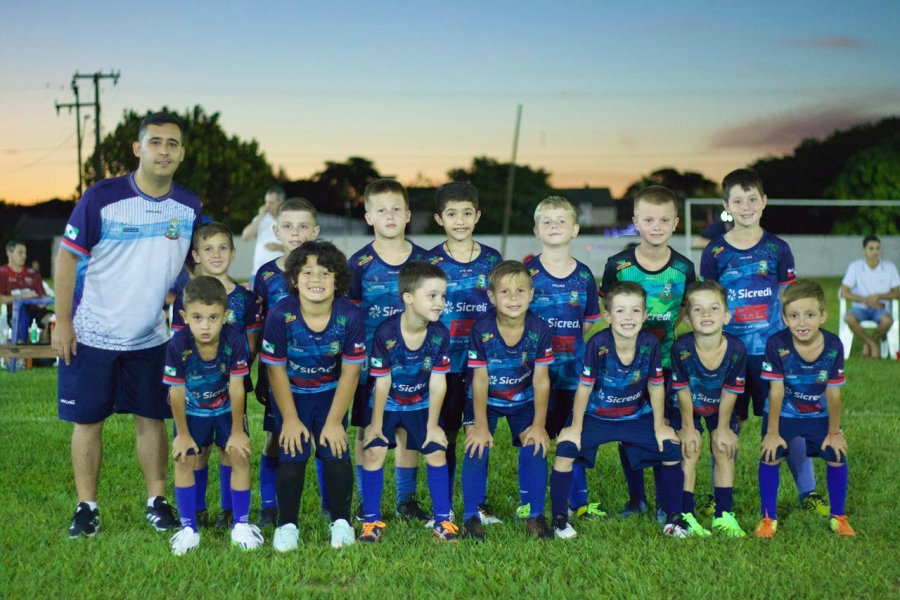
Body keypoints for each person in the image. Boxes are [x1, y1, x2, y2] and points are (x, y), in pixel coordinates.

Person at [55, 111, 201, 538]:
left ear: (182, 153)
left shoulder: (189, 206)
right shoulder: (102, 197)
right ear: (138, 148)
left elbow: (199, 264)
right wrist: (63, 321)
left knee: (151, 418)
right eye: (155, 142)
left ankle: (157, 501)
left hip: (151, 336)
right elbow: (67, 257)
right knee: (88, 422)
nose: (163, 151)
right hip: (92, 333)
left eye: (172, 144)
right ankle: (86, 507)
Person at [699, 168, 826, 517]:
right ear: (727, 206)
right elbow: (708, 302)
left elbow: (790, 302)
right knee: (726, 425)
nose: (746, 206)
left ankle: (808, 492)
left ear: (764, 201)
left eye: (752, 199)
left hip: (772, 354)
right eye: (738, 201)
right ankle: (719, 494)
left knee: (787, 422)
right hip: (730, 355)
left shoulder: (777, 249)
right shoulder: (715, 251)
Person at [547, 281, 689, 539]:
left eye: (635, 311)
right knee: (566, 449)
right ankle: (559, 518)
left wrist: (659, 425)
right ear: (608, 316)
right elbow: (584, 387)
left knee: (670, 447)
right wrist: (575, 427)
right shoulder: (598, 343)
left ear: (644, 315)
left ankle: (674, 518)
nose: (628, 317)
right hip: (596, 415)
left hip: (633, 414)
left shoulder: (650, 344)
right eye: (620, 311)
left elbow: (656, 386)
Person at [261, 241, 366, 551]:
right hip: (292, 395)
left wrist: (334, 421)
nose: (316, 279)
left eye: (325, 272)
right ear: (294, 279)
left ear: (338, 280)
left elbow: (350, 373)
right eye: (307, 272)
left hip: (330, 394)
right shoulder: (281, 315)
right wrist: (291, 419)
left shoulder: (350, 316)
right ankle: (287, 525)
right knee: (292, 450)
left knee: (335, 448)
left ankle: (342, 521)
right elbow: (276, 371)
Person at [600, 185, 695, 519]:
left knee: (663, 427)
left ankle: (664, 501)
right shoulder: (619, 265)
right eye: (649, 219)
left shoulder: (683, 268)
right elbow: (609, 307)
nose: (657, 226)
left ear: (676, 223)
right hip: (625, 363)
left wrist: (660, 337)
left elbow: (682, 309)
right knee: (629, 425)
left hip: (665, 361)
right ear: (636, 222)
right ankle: (636, 498)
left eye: (664, 220)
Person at [348, 179, 433, 523]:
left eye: (397, 209)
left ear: (408, 214)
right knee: (368, 428)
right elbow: (352, 316)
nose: (390, 215)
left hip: (415, 363)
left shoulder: (425, 261)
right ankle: (365, 499)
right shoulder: (359, 263)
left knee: (407, 428)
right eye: (381, 210)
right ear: (369, 217)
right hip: (372, 366)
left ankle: (405, 498)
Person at [169, 222, 261, 530]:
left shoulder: (245, 299)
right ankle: (196, 510)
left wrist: (235, 367)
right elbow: (180, 348)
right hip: (194, 392)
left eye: (223, 248)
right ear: (196, 255)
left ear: (233, 253)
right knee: (197, 451)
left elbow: (251, 343)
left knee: (230, 449)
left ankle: (229, 511)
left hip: (231, 386)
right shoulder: (185, 300)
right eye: (208, 249)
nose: (216, 254)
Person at [359, 261, 454, 542]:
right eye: (432, 295)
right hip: (388, 403)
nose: (440, 303)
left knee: (436, 450)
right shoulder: (386, 332)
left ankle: (442, 521)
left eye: (443, 296)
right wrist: (376, 426)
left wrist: (433, 426)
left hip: (420, 403)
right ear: (408, 298)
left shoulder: (440, 333)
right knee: (374, 450)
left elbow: (438, 381)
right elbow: (382, 382)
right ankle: (370, 522)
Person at [460, 261, 554, 541]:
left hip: (522, 399)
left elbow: (541, 380)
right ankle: (471, 517)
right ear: (491, 296)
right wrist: (479, 425)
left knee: (535, 445)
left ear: (531, 294)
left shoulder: (540, 328)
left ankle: (535, 515)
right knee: (476, 446)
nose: (513, 298)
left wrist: (539, 425)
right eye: (505, 292)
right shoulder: (481, 329)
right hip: (485, 400)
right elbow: (479, 380)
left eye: (520, 291)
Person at [756, 280, 855, 538]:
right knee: (770, 453)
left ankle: (838, 516)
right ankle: (768, 518)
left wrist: (834, 432)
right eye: (794, 316)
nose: (802, 323)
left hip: (817, 413)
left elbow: (833, 392)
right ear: (784, 318)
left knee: (836, 453)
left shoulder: (833, 345)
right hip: (784, 413)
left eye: (810, 315)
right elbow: (776, 391)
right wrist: (772, 433)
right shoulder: (776, 343)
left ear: (823, 315)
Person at [525, 196, 602, 520]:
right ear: (536, 231)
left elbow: (587, 322)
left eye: (561, 221)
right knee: (534, 435)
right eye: (547, 221)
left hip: (573, 373)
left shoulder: (584, 275)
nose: (554, 226)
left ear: (575, 229)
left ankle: (578, 501)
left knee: (572, 435)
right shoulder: (528, 273)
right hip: (534, 374)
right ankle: (528, 501)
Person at [429, 182, 502, 519]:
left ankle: (477, 504)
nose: (460, 221)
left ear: (478, 216)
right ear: (439, 219)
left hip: (481, 367)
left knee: (477, 431)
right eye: (452, 214)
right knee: (445, 434)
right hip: (443, 366)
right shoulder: (430, 261)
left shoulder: (492, 259)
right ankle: (442, 506)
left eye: (467, 213)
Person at [252, 197, 321, 528]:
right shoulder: (266, 275)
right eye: (288, 226)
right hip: (279, 373)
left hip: (320, 373)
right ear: (276, 231)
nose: (296, 233)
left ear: (315, 231)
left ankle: (330, 504)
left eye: (303, 226)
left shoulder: (326, 272)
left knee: (324, 437)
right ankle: (269, 505)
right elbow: (259, 325)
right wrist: (259, 371)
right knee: (276, 438)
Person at [669, 280, 747, 537]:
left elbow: (730, 391)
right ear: (687, 319)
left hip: (719, 406)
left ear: (726, 316)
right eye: (698, 309)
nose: (706, 314)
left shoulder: (736, 349)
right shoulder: (681, 348)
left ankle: (723, 514)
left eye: (714, 308)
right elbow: (682, 390)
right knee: (689, 447)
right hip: (687, 405)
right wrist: (688, 428)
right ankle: (685, 514)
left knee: (723, 446)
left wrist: (723, 428)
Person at [840, 234, 900, 358]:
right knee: (849, 318)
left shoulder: (889, 267)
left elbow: (897, 292)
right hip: (859, 308)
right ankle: (873, 344)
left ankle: (868, 345)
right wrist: (865, 300)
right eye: (871, 248)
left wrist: (878, 296)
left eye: (877, 248)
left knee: (887, 321)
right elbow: (844, 292)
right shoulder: (855, 267)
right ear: (864, 250)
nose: (875, 252)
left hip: (880, 309)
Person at [0, 240, 53, 343]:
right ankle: (21, 350)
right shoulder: (2, 273)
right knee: (22, 325)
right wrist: (22, 296)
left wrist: (43, 301)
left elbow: (42, 296)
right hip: (16, 313)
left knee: (52, 320)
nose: (24, 256)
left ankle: (45, 350)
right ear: (9, 253)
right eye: (20, 253)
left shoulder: (33, 274)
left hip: (36, 311)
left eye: (25, 253)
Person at [242, 186, 285, 286]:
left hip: (280, 274)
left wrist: (278, 247)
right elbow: (246, 236)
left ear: (281, 203)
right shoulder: (261, 219)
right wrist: (261, 216)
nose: (267, 206)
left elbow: (298, 247)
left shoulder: (288, 220)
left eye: (271, 203)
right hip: (258, 274)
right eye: (266, 202)